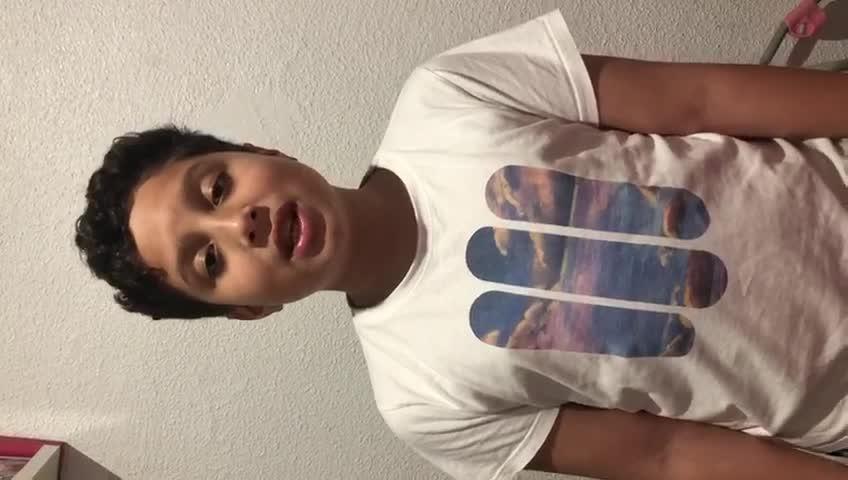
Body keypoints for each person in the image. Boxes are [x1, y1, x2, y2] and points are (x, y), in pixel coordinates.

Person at [75, 9, 848, 480]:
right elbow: (661, 456)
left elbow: (698, 100)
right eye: (209, 262)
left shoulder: (446, 94)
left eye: (215, 188)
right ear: (249, 311)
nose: (238, 225)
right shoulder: (419, 400)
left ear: (260, 151)